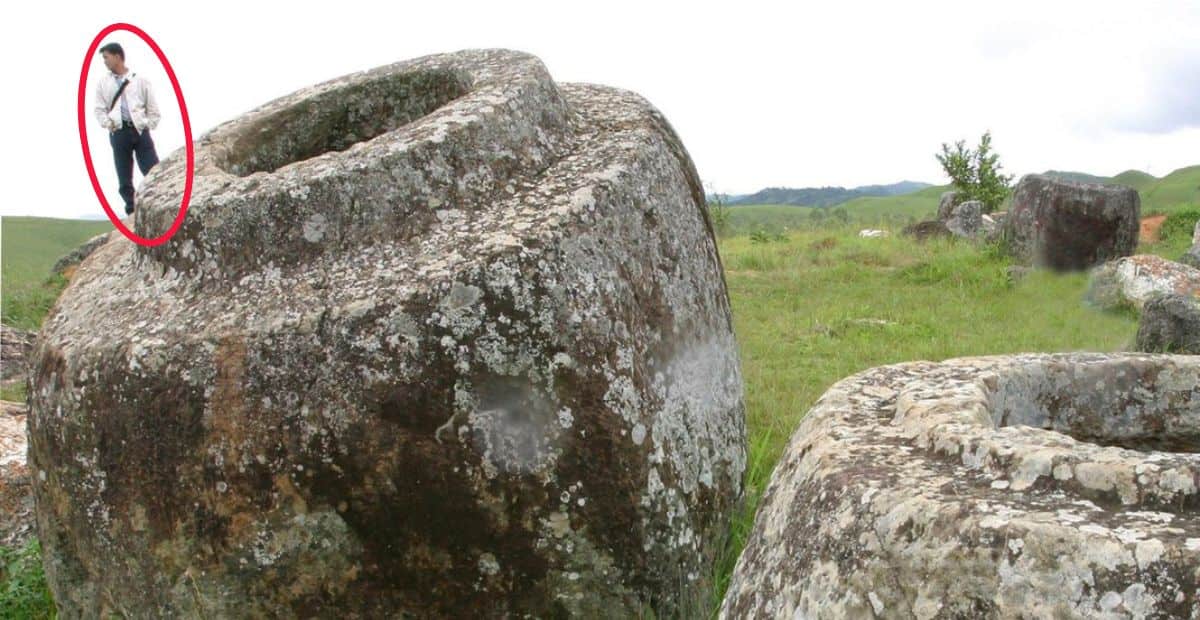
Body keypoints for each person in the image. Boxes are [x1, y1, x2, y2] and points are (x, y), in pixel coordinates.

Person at [93, 42, 161, 215]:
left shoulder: (140, 80)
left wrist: (147, 125)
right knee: (124, 176)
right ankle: (132, 211)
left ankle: (159, 204)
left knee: (153, 169)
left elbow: (153, 109)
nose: (105, 62)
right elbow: (99, 109)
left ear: (117, 56)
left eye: (106, 57)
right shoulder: (103, 83)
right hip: (119, 132)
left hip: (139, 130)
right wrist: (110, 125)